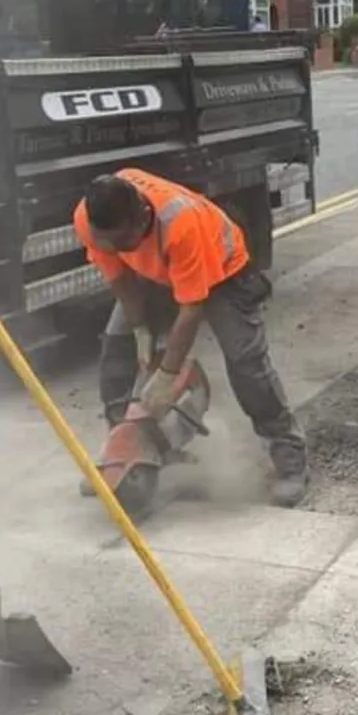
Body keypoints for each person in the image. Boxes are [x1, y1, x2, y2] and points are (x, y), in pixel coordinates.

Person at [73, 169, 308, 507]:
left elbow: (191, 309)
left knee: (247, 365)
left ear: (141, 218)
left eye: (121, 242)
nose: (113, 248)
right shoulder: (93, 221)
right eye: (106, 242)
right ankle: (124, 456)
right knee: (116, 352)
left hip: (225, 275)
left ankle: (290, 461)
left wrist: (166, 377)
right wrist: (140, 330)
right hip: (158, 271)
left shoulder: (180, 224)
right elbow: (120, 280)